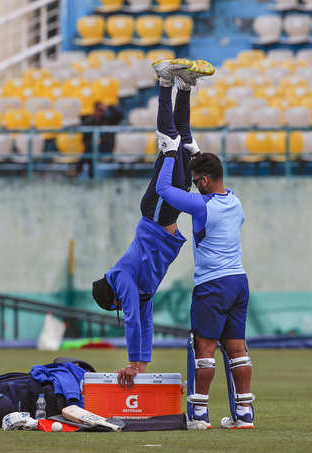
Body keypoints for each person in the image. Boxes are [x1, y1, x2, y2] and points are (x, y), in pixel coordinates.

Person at [91, 59, 215, 389]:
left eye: (117, 305)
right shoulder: (140, 292)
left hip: (157, 214)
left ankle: (163, 80)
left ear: (113, 299)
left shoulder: (123, 281)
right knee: (187, 140)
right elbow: (143, 318)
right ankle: (185, 86)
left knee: (171, 142)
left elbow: (132, 318)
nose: (123, 305)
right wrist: (142, 363)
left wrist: (131, 363)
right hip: (166, 216)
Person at [155, 124, 254, 427]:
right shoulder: (235, 201)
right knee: (238, 349)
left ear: (207, 181)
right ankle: (244, 414)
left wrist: (170, 155)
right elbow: (212, 178)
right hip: (239, 281)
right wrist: (195, 153)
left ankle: (199, 413)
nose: (195, 186)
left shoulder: (202, 205)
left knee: (205, 349)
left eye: (198, 181)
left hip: (212, 285)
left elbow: (163, 190)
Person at [80, 101, 124, 177]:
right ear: (95, 110)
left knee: (89, 151)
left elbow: (120, 116)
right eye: (99, 110)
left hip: (106, 146)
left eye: (102, 110)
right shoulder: (90, 120)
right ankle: (89, 175)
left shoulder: (108, 120)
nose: (100, 112)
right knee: (89, 150)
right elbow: (84, 138)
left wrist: (110, 106)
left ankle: (79, 171)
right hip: (93, 147)